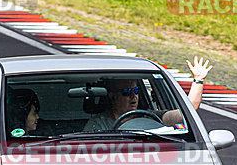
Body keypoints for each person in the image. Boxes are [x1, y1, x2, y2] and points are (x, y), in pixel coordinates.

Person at [82, 57, 213, 133]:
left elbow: (187, 111)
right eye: (127, 92)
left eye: (136, 91)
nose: (134, 96)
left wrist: (198, 81)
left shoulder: (151, 117)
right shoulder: (98, 124)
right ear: (112, 96)